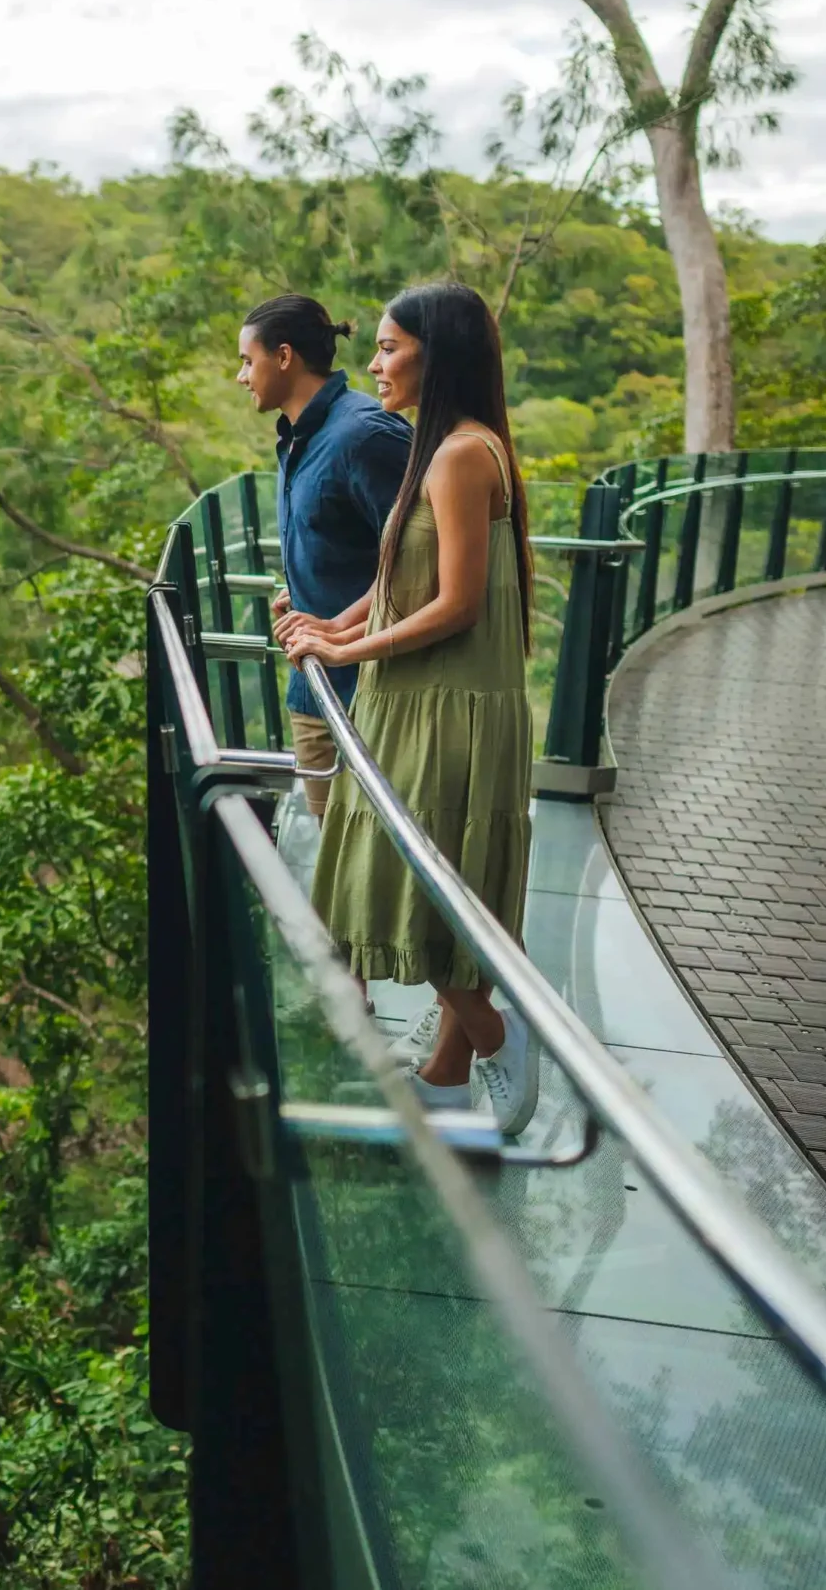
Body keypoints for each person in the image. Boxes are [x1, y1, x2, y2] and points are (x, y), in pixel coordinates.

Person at [280, 283, 538, 1133]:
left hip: (447, 705)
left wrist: (349, 651)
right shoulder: (439, 446)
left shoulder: (465, 454)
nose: (375, 363)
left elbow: (458, 601)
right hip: (418, 699)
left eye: (390, 347)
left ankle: (501, 1039)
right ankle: (447, 1063)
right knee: (429, 877)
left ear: (440, 353)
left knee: (421, 889)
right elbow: (399, 573)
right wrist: (332, 622)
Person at [236, 294, 411, 819]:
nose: (242, 377)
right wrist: (310, 586)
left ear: (284, 356)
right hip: (314, 691)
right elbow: (351, 541)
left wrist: (340, 626)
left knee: (375, 861)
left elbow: (421, 562)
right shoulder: (298, 437)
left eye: (248, 361)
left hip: (372, 696)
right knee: (335, 863)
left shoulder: (364, 434)